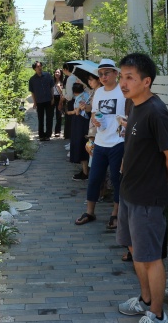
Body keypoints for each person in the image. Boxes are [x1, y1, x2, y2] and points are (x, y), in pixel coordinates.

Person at [115, 53, 168, 323]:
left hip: (147, 199)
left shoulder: (156, 111)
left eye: (129, 77)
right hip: (128, 193)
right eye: (122, 77)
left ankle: (157, 316)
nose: (123, 83)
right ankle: (144, 301)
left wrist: (158, 184)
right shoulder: (134, 105)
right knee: (135, 251)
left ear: (146, 81)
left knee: (151, 257)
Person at [75, 58, 125, 228]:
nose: (103, 77)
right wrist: (95, 122)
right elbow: (95, 113)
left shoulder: (123, 90)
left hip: (118, 142)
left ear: (115, 73)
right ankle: (90, 212)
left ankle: (115, 214)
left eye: (107, 73)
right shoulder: (99, 93)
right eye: (101, 74)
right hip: (101, 142)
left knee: (117, 180)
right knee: (94, 178)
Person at [68, 82, 91, 180]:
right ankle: (86, 171)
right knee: (84, 145)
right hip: (86, 123)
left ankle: (85, 173)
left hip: (80, 124)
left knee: (80, 146)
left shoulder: (79, 98)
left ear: (74, 91)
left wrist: (71, 112)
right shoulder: (87, 94)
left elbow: (77, 112)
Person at [28, 61, 55, 141]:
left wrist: (53, 98)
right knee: (40, 119)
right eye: (38, 66)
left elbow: (51, 87)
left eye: (40, 66)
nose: (40, 68)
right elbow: (32, 92)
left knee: (49, 118)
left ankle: (48, 135)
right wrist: (34, 102)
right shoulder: (32, 79)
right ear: (34, 69)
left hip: (48, 100)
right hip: (39, 101)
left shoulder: (47, 75)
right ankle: (41, 135)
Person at [52, 69, 64, 138]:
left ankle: (57, 131)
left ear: (61, 74)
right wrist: (52, 99)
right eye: (56, 72)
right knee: (50, 115)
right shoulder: (52, 82)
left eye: (58, 72)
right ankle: (49, 131)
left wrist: (59, 87)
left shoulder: (62, 82)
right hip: (52, 98)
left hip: (59, 98)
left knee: (58, 115)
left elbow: (62, 93)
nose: (56, 73)